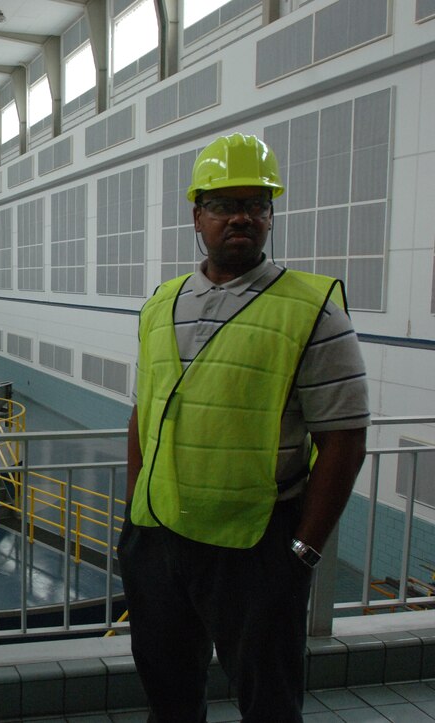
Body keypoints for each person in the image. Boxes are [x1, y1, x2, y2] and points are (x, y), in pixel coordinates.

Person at [118, 133, 369, 722]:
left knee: (269, 703)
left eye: (257, 205)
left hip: (256, 549)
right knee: (169, 696)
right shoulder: (161, 303)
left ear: (271, 217)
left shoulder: (313, 310)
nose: (242, 217)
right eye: (225, 204)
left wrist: (302, 551)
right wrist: (134, 519)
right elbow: (143, 414)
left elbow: (344, 439)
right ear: (197, 215)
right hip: (159, 543)